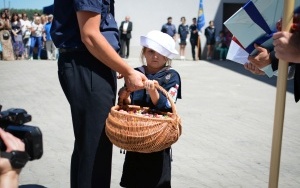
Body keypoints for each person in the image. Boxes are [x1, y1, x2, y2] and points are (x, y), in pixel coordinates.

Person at [50, 1, 147, 188]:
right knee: (95, 148)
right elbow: (90, 35)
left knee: (88, 145)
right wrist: (128, 71)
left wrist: (115, 63)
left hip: (91, 62)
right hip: (88, 63)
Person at [118, 30, 182, 188]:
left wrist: (153, 90)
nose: (155, 56)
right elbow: (126, 102)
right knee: (134, 181)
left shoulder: (171, 76)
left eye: (160, 53)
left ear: (166, 56)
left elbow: (167, 105)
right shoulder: (136, 73)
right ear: (144, 53)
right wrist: (125, 92)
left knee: (156, 182)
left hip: (158, 138)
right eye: (151, 51)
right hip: (136, 136)